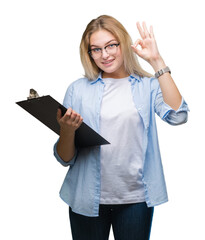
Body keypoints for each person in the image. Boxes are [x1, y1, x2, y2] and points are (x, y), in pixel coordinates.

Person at [53, 15, 189, 240]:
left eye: (111, 45)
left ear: (123, 43)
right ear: (89, 54)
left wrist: (156, 61)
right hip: (86, 197)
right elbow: (64, 158)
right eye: (95, 49)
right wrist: (66, 131)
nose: (104, 55)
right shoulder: (77, 90)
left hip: (135, 199)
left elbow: (178, 116)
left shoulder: (148, 86)